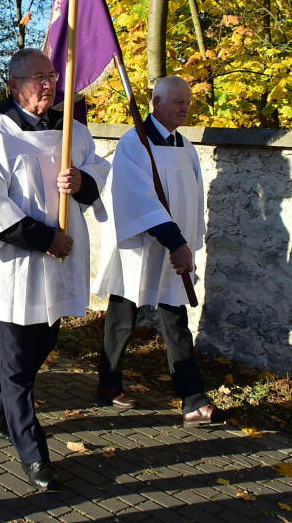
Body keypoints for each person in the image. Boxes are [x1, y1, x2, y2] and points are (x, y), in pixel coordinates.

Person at [0, 48, 109, 491]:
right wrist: (42, 237)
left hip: (62, 257)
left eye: (52, 76)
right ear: (13, 86)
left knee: (46, 337)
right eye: (37, 77)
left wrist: (82, 181)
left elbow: (98, 175)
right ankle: (34, 455)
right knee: (16, 365)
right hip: (17, 259)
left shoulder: (72, 129)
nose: (48, 84)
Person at [93, 76, 216, 423]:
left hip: (177, 247)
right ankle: (109, 381)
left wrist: (189, 239)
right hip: (143, 245)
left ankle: (191, 396)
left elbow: (195, 196)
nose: (184, 107)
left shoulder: (186, 146)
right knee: (122, 315)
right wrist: (173, 240)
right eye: (177, 101)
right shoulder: (135, 143)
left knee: (176, 320)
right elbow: (139, 198)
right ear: (155, 103)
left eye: (188, 102)